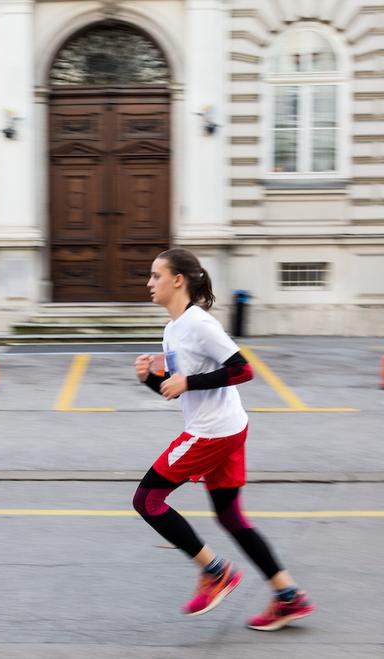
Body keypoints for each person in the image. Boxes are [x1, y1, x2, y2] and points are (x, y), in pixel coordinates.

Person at [132, 247, 315, 630]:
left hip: (212, 432)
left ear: (177, 280)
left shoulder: (199, 324)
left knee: (147, 500)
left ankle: (215, 573)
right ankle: (288, 597)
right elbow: (179, 390)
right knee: (230, 516)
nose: (149, 283)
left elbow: (243, 369)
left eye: (156, 276)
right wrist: (150, 379)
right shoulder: (173, 329)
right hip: (227, 426)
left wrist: (188, 380)